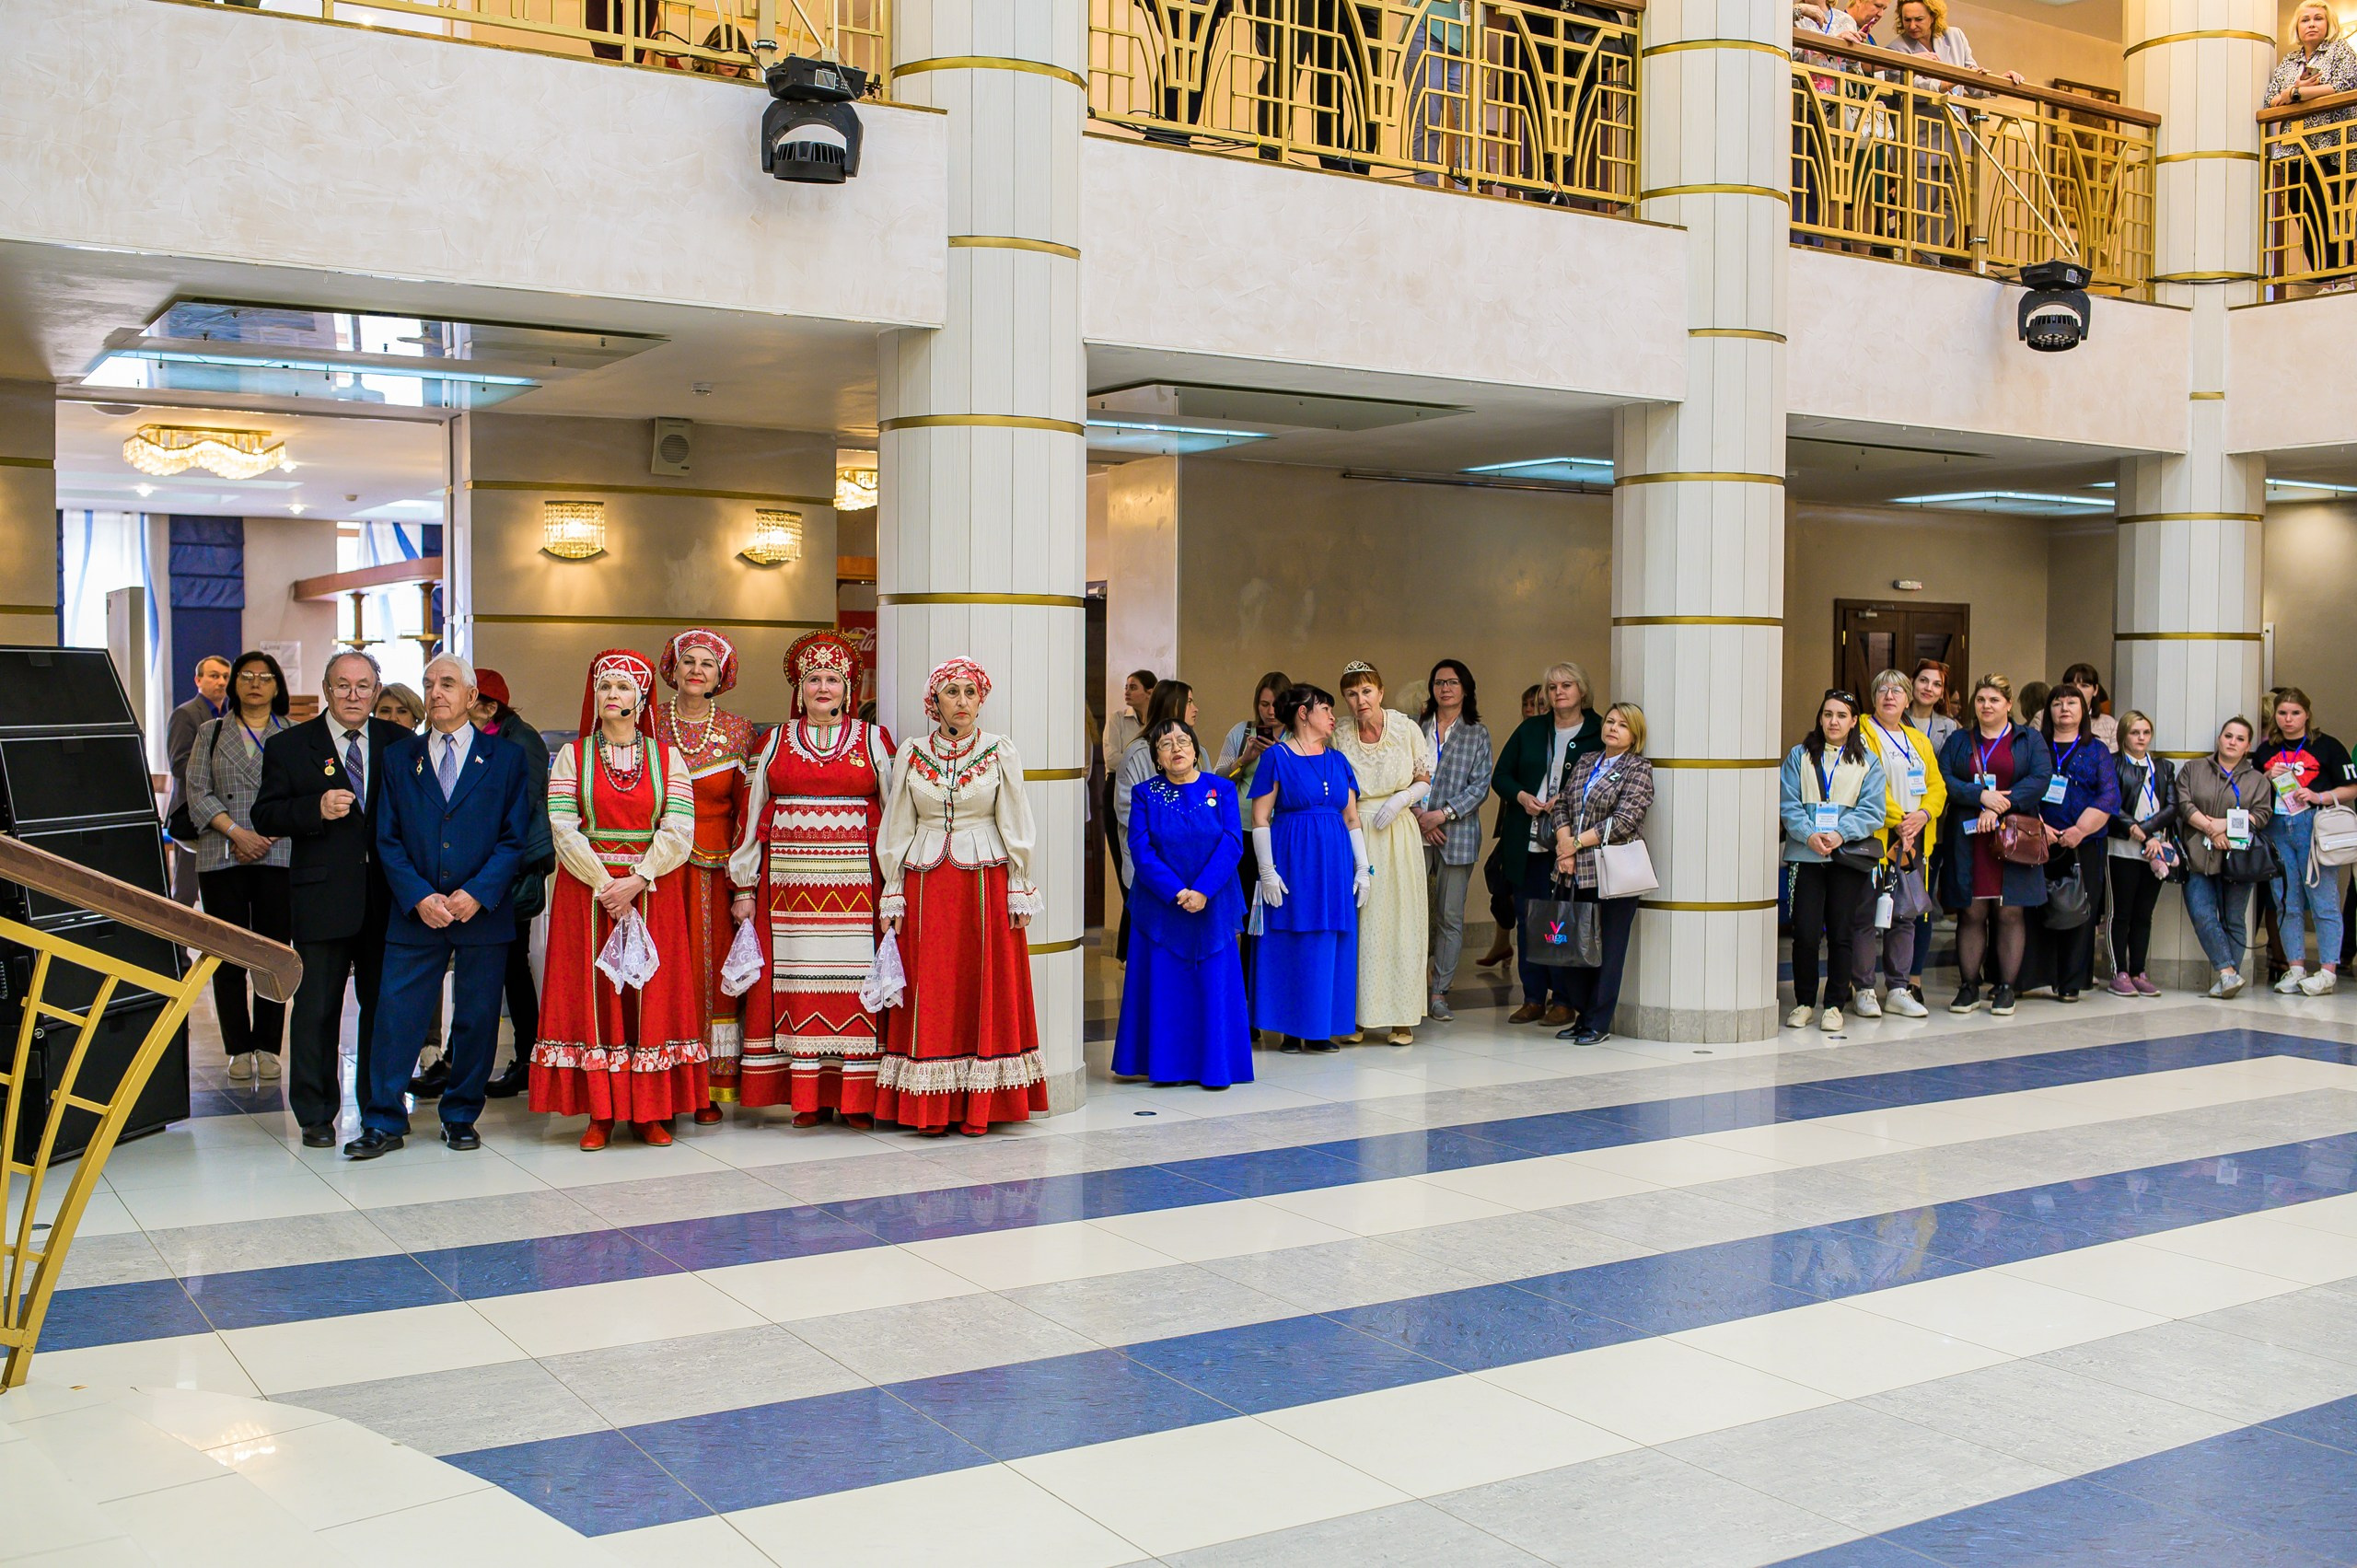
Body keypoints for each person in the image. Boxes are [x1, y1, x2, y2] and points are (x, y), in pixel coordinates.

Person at [346, 654, 535, 1160]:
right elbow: (385, 839)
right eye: (429, 684)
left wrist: (477, 892)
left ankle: (460, 1114)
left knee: (476, 1019)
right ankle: (383, 1118)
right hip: (417, 912)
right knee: (396, 1015)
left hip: (482, 911)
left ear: (472, 697)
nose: (436, 693)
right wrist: (419, 896)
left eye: (448, 684)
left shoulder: (506, 760)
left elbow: (514, 839)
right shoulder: (399, 758)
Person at [528, 650, 707, 1150]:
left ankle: (649, 1112)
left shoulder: (667, 758)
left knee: (650, 995)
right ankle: (601, 1114)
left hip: (652, 889)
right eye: (606, 687)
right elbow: (562, 827)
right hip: (588, 893)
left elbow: (680, 828)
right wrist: (606, 883)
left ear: (641, 697)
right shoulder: (572, 756)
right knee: (594, 994)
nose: (613, 695)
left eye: (624, 687)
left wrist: (639, 878)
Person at [876, 657, 1051, 1134]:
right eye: (952, 693)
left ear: (981, 700)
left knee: (983, 984)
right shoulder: (911, 753)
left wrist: (1018, 883)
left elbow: (1014, 818)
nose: (963, 702)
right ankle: (931, 1105)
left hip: (985, 883)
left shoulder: (999, 751)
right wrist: (893, 889)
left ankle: (983, 1105)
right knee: (932, 987)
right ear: (935, 702)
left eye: (970, 693)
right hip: (926, 883)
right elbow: (898, 823)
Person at [730, 632, 896, 1125]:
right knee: (799, 990)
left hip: (858, 892)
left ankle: (856, 1099)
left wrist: (895, 888)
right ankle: (809, 1097)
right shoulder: (774, 741)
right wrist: (744, 885)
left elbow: (895, 816)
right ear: (800, 689)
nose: (823, 688)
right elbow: (750, 814)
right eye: (813, 680)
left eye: (832, 680)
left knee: (856, 989)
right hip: (788, 896)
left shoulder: (874, 740)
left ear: (848, 689)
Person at [251, 650, 411, 1146]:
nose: (354, 695)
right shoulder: (291, 745)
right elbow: (266, 815)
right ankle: (316, 1114)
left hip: (389, 899)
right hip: (322, 898)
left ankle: (379, 1110)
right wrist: (314, 808)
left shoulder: (401, 743)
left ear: (376, 691)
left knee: (382, 1009)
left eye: (364, 687)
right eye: (343, 685)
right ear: (326, 688)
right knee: (317, 1009)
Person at [647, 630, 756, 1117]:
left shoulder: (738, 730)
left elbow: (745, 810)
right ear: (672, 667)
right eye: (687, 661)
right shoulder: (649, 724)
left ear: (721, 676)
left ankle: (710, 1086)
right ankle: (664, 1083)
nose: (696, 670)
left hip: (715, 868)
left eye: (707, 664)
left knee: (711, 973)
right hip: (657, 867)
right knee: (665, 970)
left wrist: (743, 881)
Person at [1114, 717, 1251, 1088]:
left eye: (1182, 741)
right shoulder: (1144, 793)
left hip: (1214, 904)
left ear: (1195, 749)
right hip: (1161, 908)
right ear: (1157, 758)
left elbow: (1232, 843)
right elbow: (1140, 850)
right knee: (1166, 987)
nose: (1176, 749)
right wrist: (1178, 892)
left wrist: (1203, 890)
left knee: (1212, 985)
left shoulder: (1221, 790)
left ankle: (1215, 1066)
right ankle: (1167, 1067)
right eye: (1165, 744)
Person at [185, 650, 296, 1082]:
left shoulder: (294, 734)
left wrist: (265, 835)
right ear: (235, 686)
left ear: (276, 686)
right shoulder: (210, 732)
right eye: (246, 676)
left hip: (278, 852)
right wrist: (238, 833)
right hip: (222, 854)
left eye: (264, 677)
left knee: (272, 954)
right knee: (228, 955)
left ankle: (268, 1046)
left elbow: (300, 794)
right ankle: (237, 1047)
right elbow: (197, 790)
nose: (254, 683)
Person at [1250, 683, 1369, 1052]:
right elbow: (1260, 817)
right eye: (1326, 709)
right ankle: (1289, 1028)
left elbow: (1351, 818)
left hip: (1334, 862)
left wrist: (1363, 867)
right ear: (1303, 713)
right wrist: (1267, 870)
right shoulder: (1277, 757)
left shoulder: (1338, 760)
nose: (1333, 717)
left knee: (1328, 938)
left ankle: (1320, 1028)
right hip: (1292, 857)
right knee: (1291, 937)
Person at [1937, 673, 2054, 1016]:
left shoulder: (2028, 738)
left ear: (2008, 703)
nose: (1986, 706)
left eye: (1993, 700)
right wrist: (1980, 796)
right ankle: (1969, 986)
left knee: (2010, 912)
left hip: (2013, 835)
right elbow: (1945, 779)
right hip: (1969, 838)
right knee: (1971, 912)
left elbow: (2040, 779)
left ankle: (2005, 988)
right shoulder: (1960, 740)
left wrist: (2001, 804)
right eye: (1981, 700)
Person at [1493, 663, 1602, 1025]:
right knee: (1529, 918)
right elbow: (1501, 776)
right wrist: (1522, 797)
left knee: (1562, 921)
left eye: (1566, 685)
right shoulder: (1531, 729)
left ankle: (1564, 999)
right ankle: (1533, 997)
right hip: (1527, 841)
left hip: (1571, 844)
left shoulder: (1597, 731)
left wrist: (1568, 800)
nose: (1558, 692)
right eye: (1552, 687)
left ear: (1581, 691)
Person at [1334, 662, 1434, 1045]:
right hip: (1355, 828)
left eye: (1366, 691)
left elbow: (1425, 778)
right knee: (1362, 921)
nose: (1360, 701)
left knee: (1400, 920)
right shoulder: (1341, 733)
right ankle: (1358, 1016)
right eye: (1352, 694)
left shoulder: (1405, 728)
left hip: (1397, 830)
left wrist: (1403, 798)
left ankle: (1401, 1017)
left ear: (1380, 690)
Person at [1545, 702, 1655, 1044]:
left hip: (1611, 873)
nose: (1612, 728)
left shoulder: (1638, 769)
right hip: (1570, 869)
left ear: (1634, 734)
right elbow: (1561, 803)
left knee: (1609, 950)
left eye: (1622, 725)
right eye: (1610, 722)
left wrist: (1575, 844)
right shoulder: (1587, 760)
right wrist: (1564, 844)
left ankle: (1598, 1022)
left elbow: (1624, 821)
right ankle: (1581, 1014)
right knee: (1570, 948)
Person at [468, 668, 553, 1101]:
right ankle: (466, 1058)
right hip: (479, 872)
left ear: (488, 706)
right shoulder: (480, 738)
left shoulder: (522, 741)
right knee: (496, 968)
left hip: (510, 872)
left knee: (511, 969)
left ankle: (527, 1058)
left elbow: (518, 808)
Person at [1781, 690, 1888, 1034]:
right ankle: (1804, 1001)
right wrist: (1809, 834)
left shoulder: (1868, 761)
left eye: (1841, 715)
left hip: (1846, 856)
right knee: (1806, 933)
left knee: (1842, 932)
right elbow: (1787, 803)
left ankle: (1834, 1004)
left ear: (1854, 721)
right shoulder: (1799, 756)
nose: (1833, 721)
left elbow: (1873, 811)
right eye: (1828, 714)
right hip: (1806, 854)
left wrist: (1840, 833)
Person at [1853, 670, 1945, 1018]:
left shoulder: (1916, 740)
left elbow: (1936, 785)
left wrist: (1922, 815)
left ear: (1908, 700)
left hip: (1915, 839)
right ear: (1874, 697)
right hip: (1878, 838)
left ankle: (1898, 988)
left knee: (1905, 914)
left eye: (1897, 691)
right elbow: (1868, 783)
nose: (1890, 696)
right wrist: (1900, 819)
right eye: (1883, 690)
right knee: (1865, 915)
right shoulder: (1861, 732)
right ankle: (1863, 988)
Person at [2254, 687, 2355, 994]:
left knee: (2323, 900)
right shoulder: (2265, 751)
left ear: (2307, 715)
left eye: (2295, 713)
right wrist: (2266, 778)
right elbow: (2251, 791)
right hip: (2277, 826)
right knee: (2286, 900)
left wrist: (2318, 796)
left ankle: (2327, 970)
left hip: (2313, 827)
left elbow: (2351, 789)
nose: (2288, 719)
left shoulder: (2327, 746)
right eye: (2282, 713)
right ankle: (2295, 967)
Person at [2023, 683, 2119, 1003]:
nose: (2064, 708)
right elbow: (2022, 786)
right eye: (2058, 703)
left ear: (2084, 710)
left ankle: (2070, 983)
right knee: (2033, 907)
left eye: (2072, 703)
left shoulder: (2097, 750)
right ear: (2048, 711)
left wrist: (2080, 830)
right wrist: (2040, 826)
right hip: (2038, 837)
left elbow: (2108, 796)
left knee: (2079, 911)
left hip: (2084, 842)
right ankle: (2032, 977)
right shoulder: (2036, 745)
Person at [1417, 658, 1492, 1021]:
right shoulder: (1416, 728)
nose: (1445, 688)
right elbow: (1405, 778)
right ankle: (1410, 987)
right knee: (1414, 913)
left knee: (1449, 916)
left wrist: (1442, 814)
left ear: (1466, 688)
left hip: (1457, 835)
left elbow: (1480, 786)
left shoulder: (1477, 733)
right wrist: (1421, 817)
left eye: (1452, 682)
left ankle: (1439, 992)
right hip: (1416, 832)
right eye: (1438, 682)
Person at [2177, 716, 2274, 999]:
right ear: (2219, 739)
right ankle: (2228, 973)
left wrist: (2224, 827)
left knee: (2233, 919)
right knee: (2203, 914)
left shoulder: (2257, 780)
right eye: (2228, 736)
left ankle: (2227, 979)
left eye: (2240, 739)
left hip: (2239, 858)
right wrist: (2210, 828)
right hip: (2198, 855)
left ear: (2248, 747)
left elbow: (2261, 815)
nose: (2232, 742)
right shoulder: (2193, 769)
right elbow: (2184, 804)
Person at [2266, 2, 2357, 283]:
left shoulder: (2340, 51)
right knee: (2304, 212)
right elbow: (2270, 101)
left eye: (2318, 18)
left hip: (2334, 146)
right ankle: (2322, 279)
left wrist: (2294, 93)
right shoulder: (2289, 61)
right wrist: (2295, 91)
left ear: (2329, 24)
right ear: (2297, 27)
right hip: (2294, 149)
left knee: (2331, 210)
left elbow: (2345, 85)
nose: (2312, 24)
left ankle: (2342, 277)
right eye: (2305, 20)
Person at [1215, 670, 1291, 1004]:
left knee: (1277, 919)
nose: (1269, 712)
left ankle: (1270, 999)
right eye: (1263, 704)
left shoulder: (1295, 737)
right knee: (1244, 920)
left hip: (1280, 835)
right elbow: (1217, 782)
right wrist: (1245, 759)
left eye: (1275, 705)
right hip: (1243, 831)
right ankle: (1244, 1004)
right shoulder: (1241, 732)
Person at [1114, 679, 1191, 962]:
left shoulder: (1200, 753)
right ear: (1174, 707)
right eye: (1190, 702)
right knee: (1155, 956)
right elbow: (1127, 812)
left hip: (1191, 869)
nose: (1195, 709)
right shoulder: (1136, 754)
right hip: (1151, 870)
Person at [2107, 711, 2177, 997]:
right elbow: (2110, 803)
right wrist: (2133, 829)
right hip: (2122, 848)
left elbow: (2172, 807)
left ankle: (2138, 970)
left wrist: (2147, 832)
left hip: (2155, 848)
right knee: (2121, 912)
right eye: (2135, 732)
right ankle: (2119, 971)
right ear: (2124, 734)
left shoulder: (2163, 767)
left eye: (2146, 732)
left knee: (2143, 914)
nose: (2141, 738)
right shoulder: (2113, 764)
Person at [1905, 658, 1961, 1000]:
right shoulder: (1892, 717)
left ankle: (1914, 980)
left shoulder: (1950, 729)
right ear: (1912, 683)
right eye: (1923, 680)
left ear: (1942, 692)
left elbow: (1949, 779)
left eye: (1936, 684)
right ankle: (1863, 979)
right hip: (1891, 826)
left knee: (1920, 903)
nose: (1928, 688)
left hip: (1932, 828)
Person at [165, 654, 232, 907]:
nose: (221, 682)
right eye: (214, 676)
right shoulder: (186, 714)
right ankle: (177, 947)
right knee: (186, 889)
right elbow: (179, 764)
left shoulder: (232, 715)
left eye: (226, 677)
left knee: (221, 890)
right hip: (192, 813)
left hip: (225, 811)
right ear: (198, 680)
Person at [2058, 662, 2118, 751]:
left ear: (2095, 690)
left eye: (2084, 686)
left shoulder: (2111, 725)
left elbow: (2112, 761)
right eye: (2071, 685)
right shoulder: (2042, 717)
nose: (2077, 690)